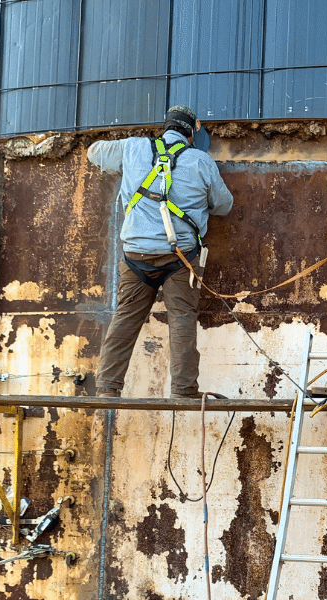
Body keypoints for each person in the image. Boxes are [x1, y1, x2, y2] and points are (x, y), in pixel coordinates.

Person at [88, 105, 234, 398]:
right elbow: (224, 205)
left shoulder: (133, 148)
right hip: (181, 258)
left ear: (165, 127)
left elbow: (94, 152)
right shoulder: (201, 161)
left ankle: (107, 387)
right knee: (182, 319)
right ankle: (183, 390)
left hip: (136, 255)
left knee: (126, 318)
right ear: (193, 131)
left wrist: (131, 159)